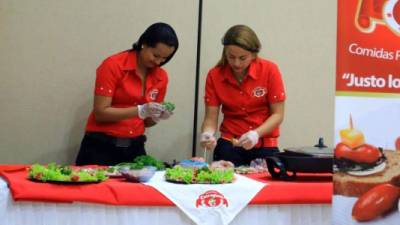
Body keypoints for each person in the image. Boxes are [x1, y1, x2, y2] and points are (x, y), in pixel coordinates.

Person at [75, 22, 179, 166]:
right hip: (101, 147)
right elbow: (100, 112)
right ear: (144, 44)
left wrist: (157, 116)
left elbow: (147, 122)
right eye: (155, 55)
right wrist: (140, 110)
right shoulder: (114, 65)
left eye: (164, 59)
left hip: (135, 148)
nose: (158, 62)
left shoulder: (161, 76)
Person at [200, 25, 286, 166]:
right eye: (231, 57)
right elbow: (210, 118)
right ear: (225, 53)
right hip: (229, 146)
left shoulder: (270, 70)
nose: (236, 63)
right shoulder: (215, 75)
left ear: (253, 54)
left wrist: (256, 134)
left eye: (242, 58)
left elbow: (278, 115)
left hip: (264, 146)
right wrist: (207, 134)